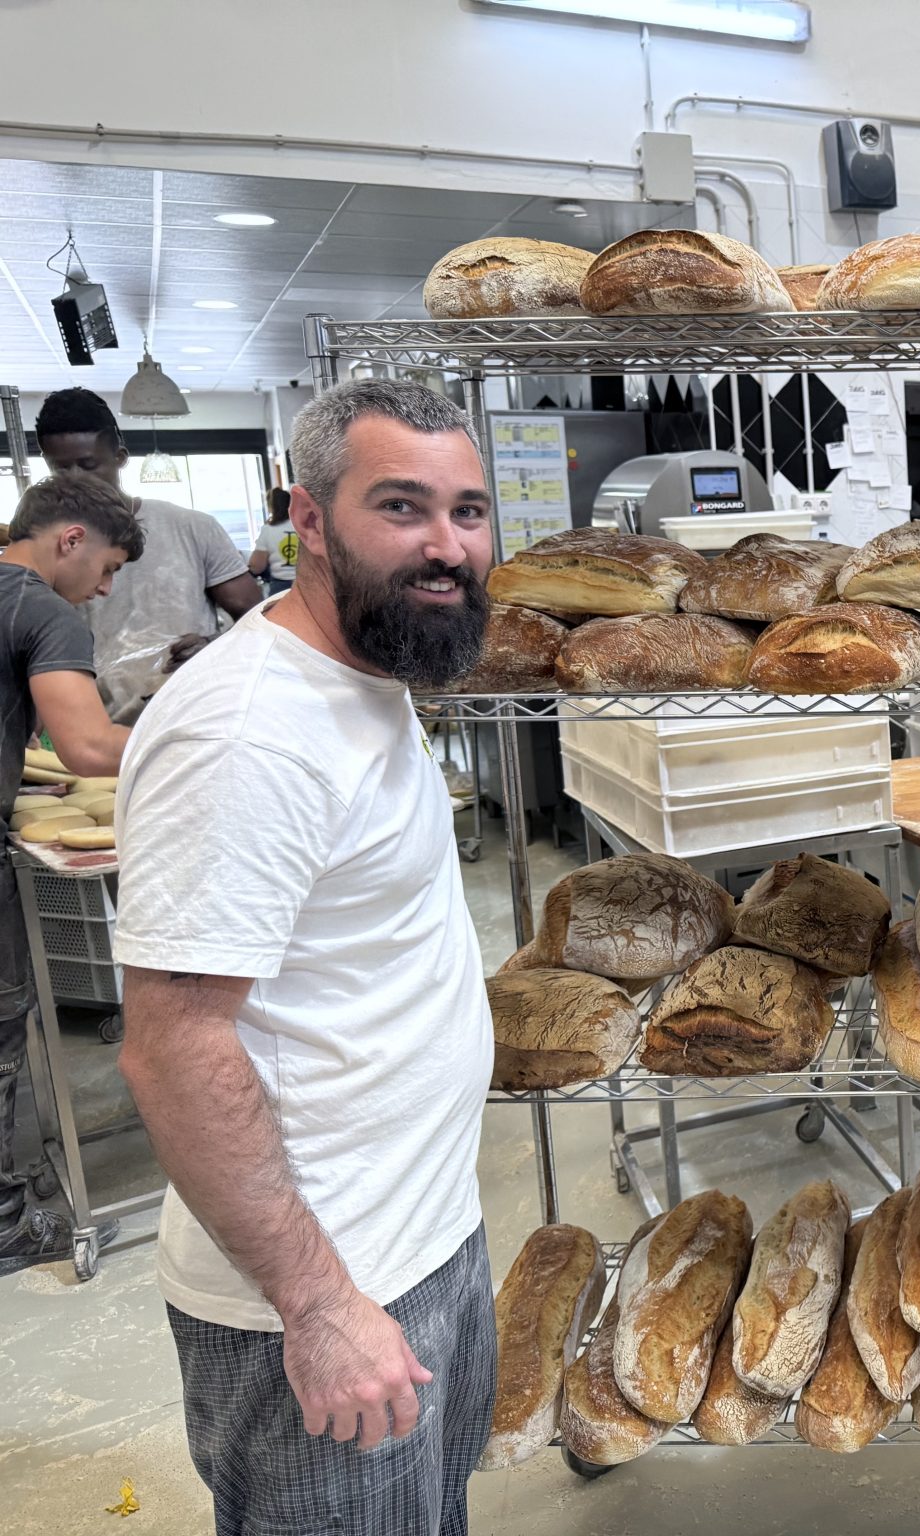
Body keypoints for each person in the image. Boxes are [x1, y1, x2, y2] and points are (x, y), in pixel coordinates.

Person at [116, 379, 497, 1535]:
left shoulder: (369, 673)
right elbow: (173, 1045)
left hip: (425, 1238)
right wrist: (322, 1308)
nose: (447, 548)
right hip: (320, 1296)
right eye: (402, 507)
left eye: (470, 510)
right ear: (309, 520)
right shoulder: (246, 733)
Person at [0, 475, 140, 1274]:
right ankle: (7, 1228)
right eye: (111, 567)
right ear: (71, 541)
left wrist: (21, 774)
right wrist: (200, 732)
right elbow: (89, 748)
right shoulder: (41, 607)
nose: (107, 588)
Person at [32, 388, 263, 722]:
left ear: (121, 457)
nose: (75, 480)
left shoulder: (191, 527)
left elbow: (260, 620)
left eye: (88, 465)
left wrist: (213, 646)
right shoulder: (44, 547)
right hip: (100, 724)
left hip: (197, 712)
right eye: (62, 469)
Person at [249, 485, 299, 595]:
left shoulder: (268, 530)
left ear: (271, 507)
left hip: (280, 588)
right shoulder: (302, 526)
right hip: (306, 584)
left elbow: (256, 566)